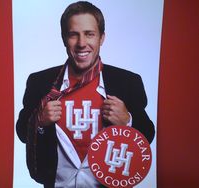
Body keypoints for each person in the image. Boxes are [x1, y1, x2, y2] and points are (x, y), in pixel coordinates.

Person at [16, 1, 155, 187]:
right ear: (64, 38)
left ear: (101, 38)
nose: (82, 43)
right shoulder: (40, 82)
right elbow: (22, 133)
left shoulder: (127, 82)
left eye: (89, 34)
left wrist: (127, 121)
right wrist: (39, 121)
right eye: (74, 35)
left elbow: (148, 135)